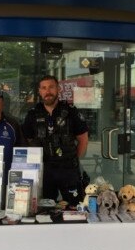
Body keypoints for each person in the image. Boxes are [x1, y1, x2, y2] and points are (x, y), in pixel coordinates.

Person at [22, 75, 89, 207]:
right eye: (44, 88)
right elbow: (29, 141)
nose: (48, 91)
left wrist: (73, 159)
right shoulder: (33, 114)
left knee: (74, 207)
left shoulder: (71, 112)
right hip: (44, 171)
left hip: (68, 170)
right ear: (40, 91)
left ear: (58, 89)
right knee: (45, 209)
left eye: (51, 87)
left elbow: (83, 139)